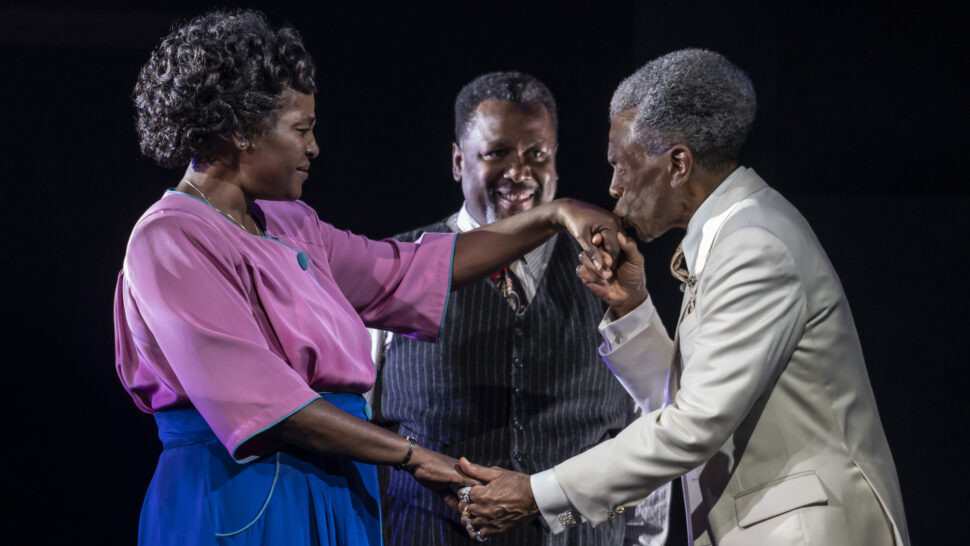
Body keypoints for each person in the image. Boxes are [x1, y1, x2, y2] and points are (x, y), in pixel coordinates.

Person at [113, 10, 622, 545]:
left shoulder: (290, 222)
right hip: (240, 495)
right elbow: (270, 407)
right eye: (301, 130)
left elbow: (414, 269)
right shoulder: (169, 238)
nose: (314, 148)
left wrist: (556, 213)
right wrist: (416, 457)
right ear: (241, 130)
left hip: (332, 486)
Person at [456, 49, 911, 546]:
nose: (613, 188)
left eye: (622, 166)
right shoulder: (735, 234)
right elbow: (686, 402)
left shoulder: (754, 244)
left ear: (677, 164)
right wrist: (631, 309)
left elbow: (693, 426)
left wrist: (538, 493)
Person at [369, 72, 669, 546]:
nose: (519, 172)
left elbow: (648, 422)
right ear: (457, 161)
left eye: (536, 155)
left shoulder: (611, 267)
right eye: (497, 153)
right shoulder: (395, 266)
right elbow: (354, 421)